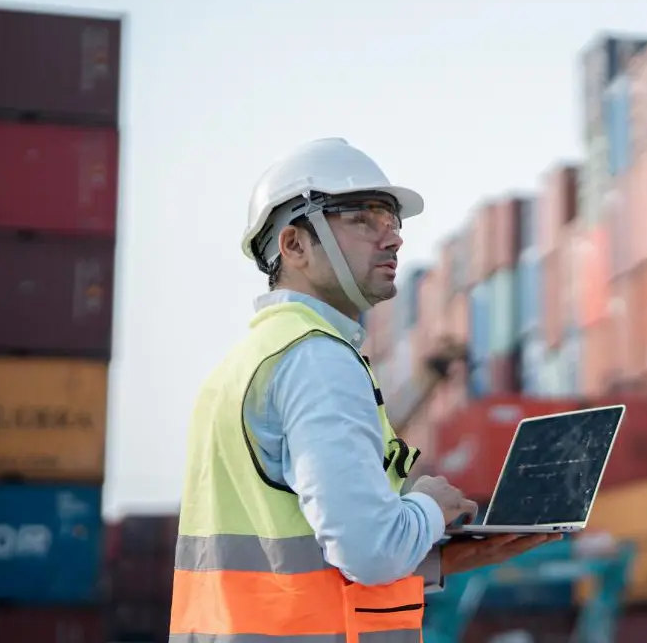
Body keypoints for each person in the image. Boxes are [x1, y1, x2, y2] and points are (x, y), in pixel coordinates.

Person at [169, 138, 559, 643]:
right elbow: (369, 552)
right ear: (294, 245)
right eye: (362, 219)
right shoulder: (317, 358)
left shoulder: (244, 364)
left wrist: (447, 558)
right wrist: (429, 506)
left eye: (391, 221)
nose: (392, 239)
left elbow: (292, 565)